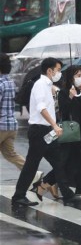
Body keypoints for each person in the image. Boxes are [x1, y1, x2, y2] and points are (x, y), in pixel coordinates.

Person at [11, 58, 81, 206]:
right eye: (58, 70)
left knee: (59, 163)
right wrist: (55, 125)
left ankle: (67, 195)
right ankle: (18, 196)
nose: (59, 73)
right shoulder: (40, 85)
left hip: (47, 131)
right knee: (31, 165)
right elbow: (41, 108)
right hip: (39, 131)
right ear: (49, 71)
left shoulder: (48, 86)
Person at [38, 66, 81, 200]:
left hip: (80, 132)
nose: (80, 78)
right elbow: (64, 112)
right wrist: (70, 97)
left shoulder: (80, 91)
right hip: (68, 132)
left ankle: (44, 185)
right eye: (77, 75)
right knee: (64, 162)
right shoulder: (64, 92)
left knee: (71, 163)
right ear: (71, 77)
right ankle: (46, 185)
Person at [0, 53, 43, 184]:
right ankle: (34, 174)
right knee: (10, 154)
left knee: (11, 154)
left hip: (1, 125)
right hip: (11, 126)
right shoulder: (10, 82)